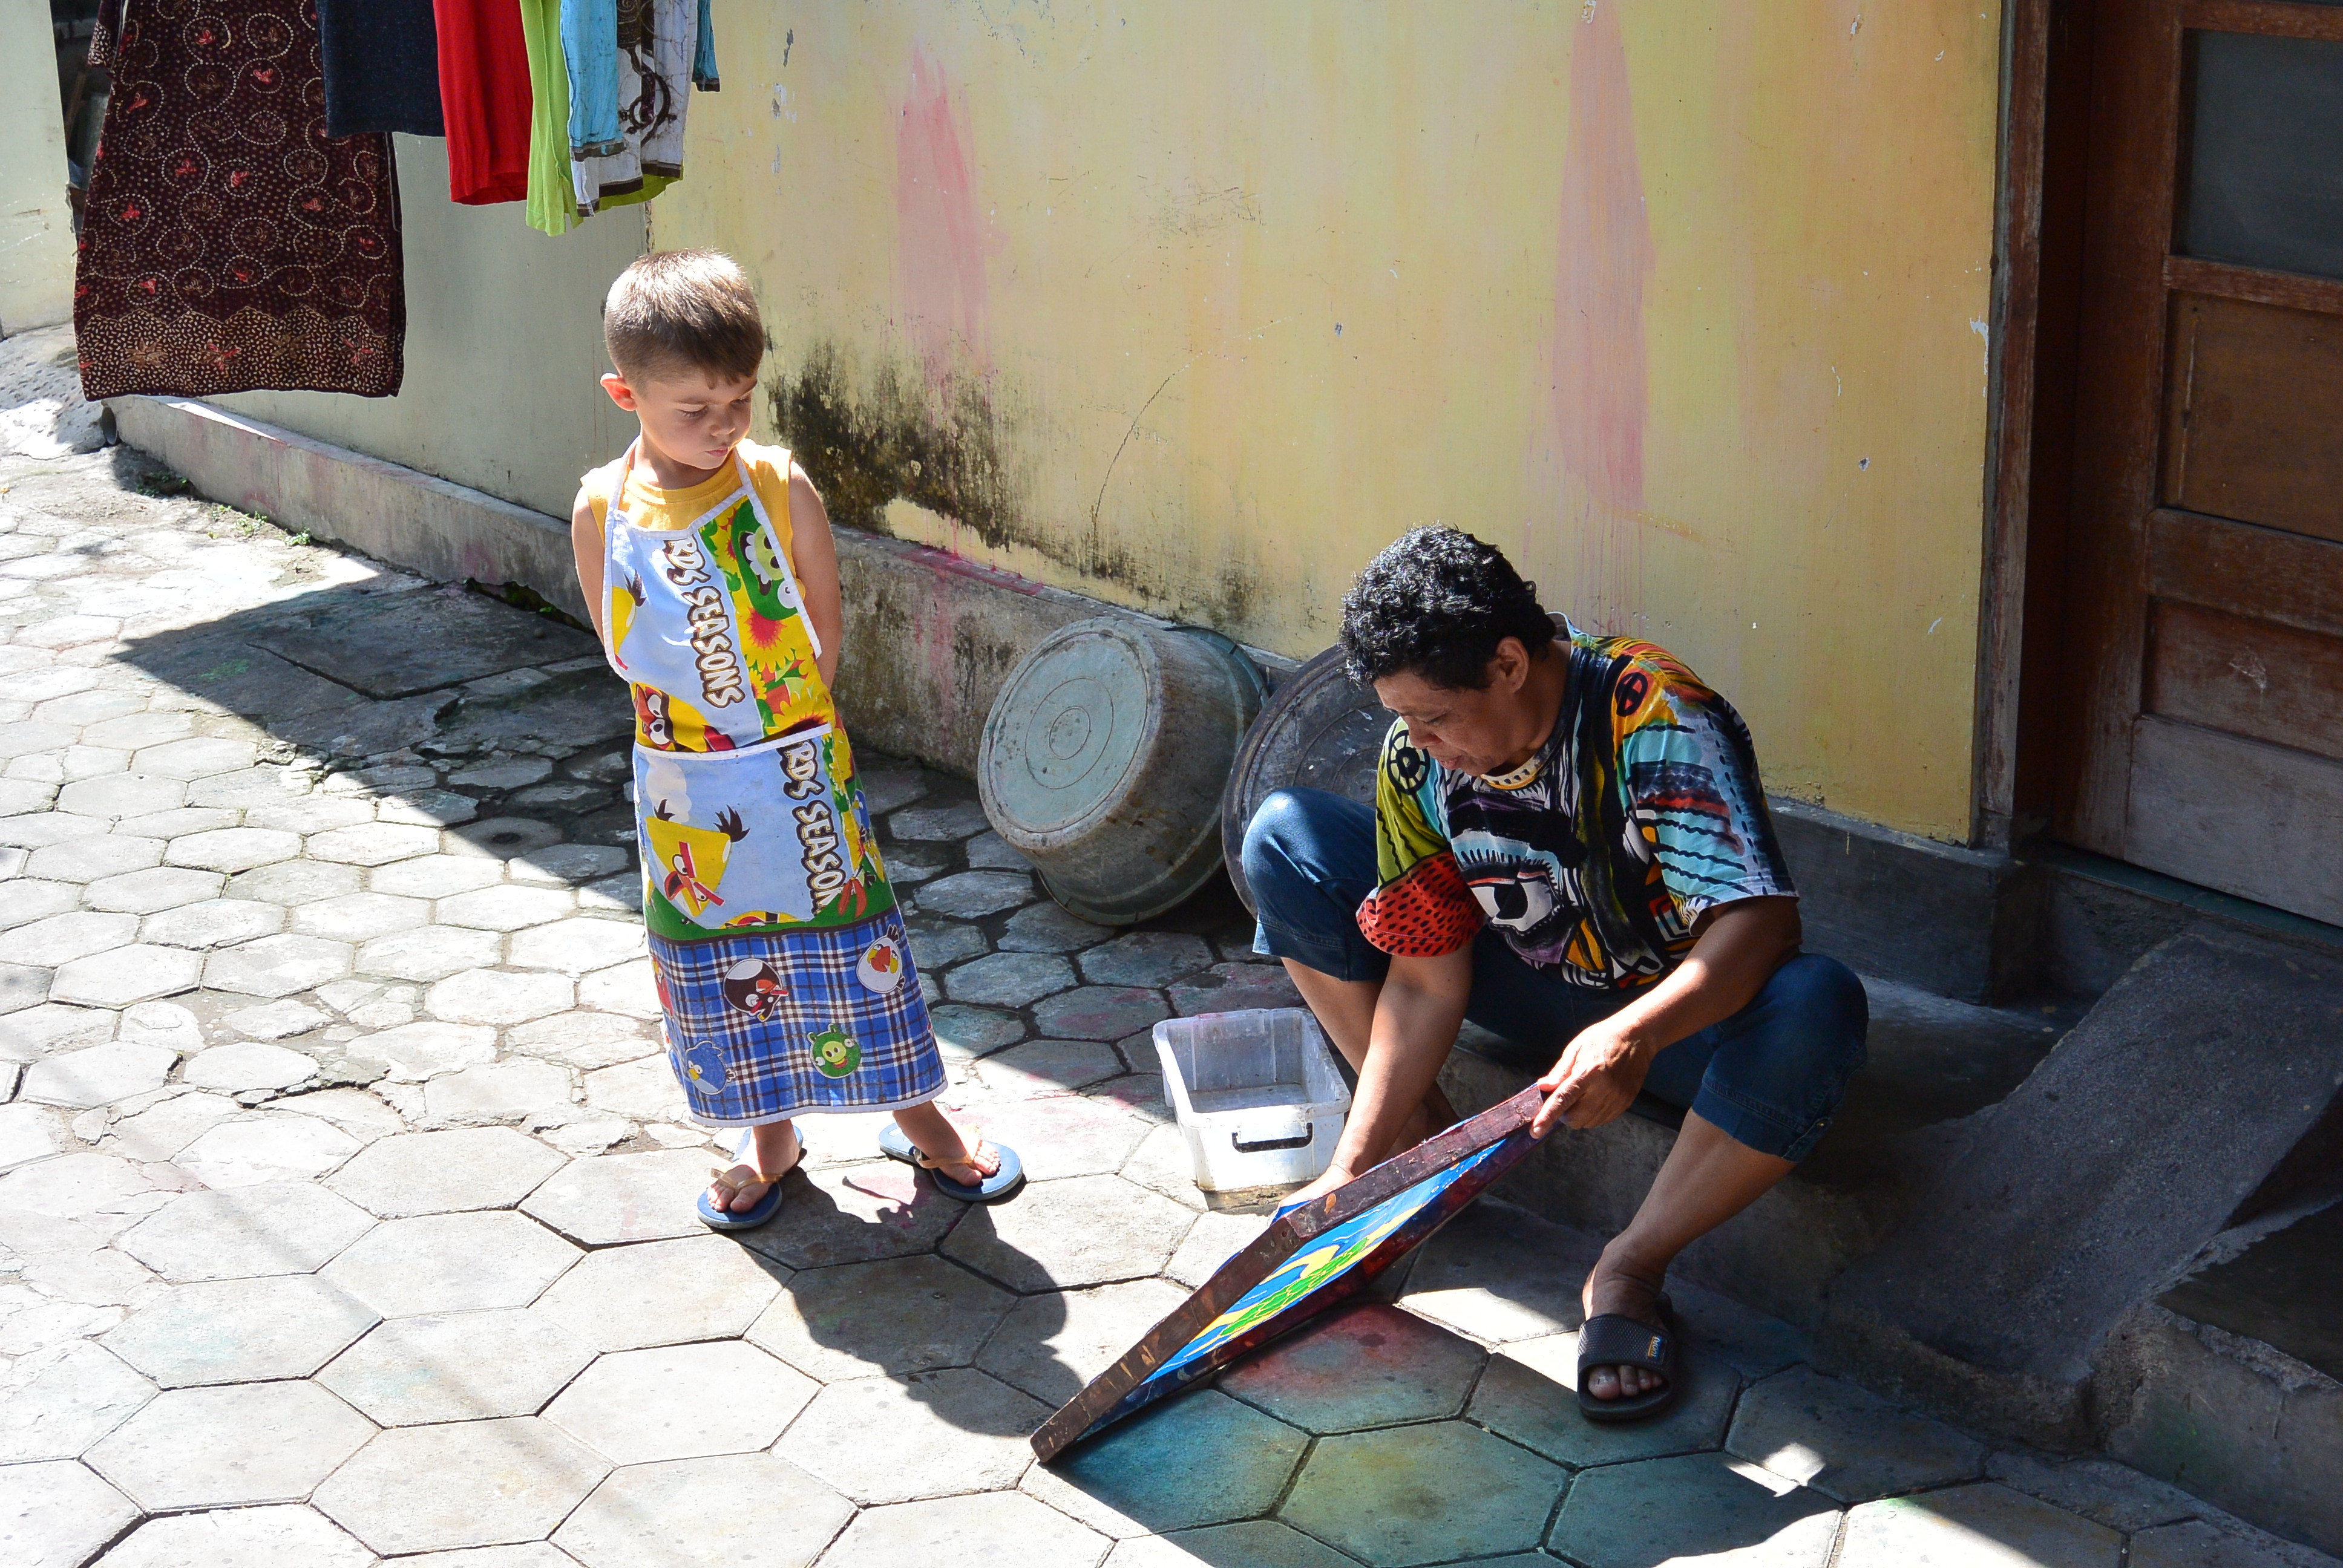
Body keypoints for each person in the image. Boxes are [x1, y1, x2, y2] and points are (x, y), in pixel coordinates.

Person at [1242, 526, 1866, 1421]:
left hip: (1676, 1017)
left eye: (1436, 716)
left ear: (1508, 663)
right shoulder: (1418, 760)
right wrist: (1351, 1168)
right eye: (1403, 717)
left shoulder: (1654, 713)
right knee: (1285, 838)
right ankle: (1413, 1149)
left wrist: (1634, 1034)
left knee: (1818, 1004)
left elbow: (1761, 925)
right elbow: (1425, 977)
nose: (1421, 740)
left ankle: (1629, 1270)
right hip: (1534, 981)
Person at [569, 250, 1023, 1228]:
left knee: (855, 944)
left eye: (741, 399)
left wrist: (789, 739)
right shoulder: (602, 507)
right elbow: (619, 645)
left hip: (801, 774)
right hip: (683, 790)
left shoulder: (777, 485)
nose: (724, 425)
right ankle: (767, 1132)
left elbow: (824, 622)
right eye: (695, 407)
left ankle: (917, 1113)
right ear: (624, 394)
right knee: (716, 964)